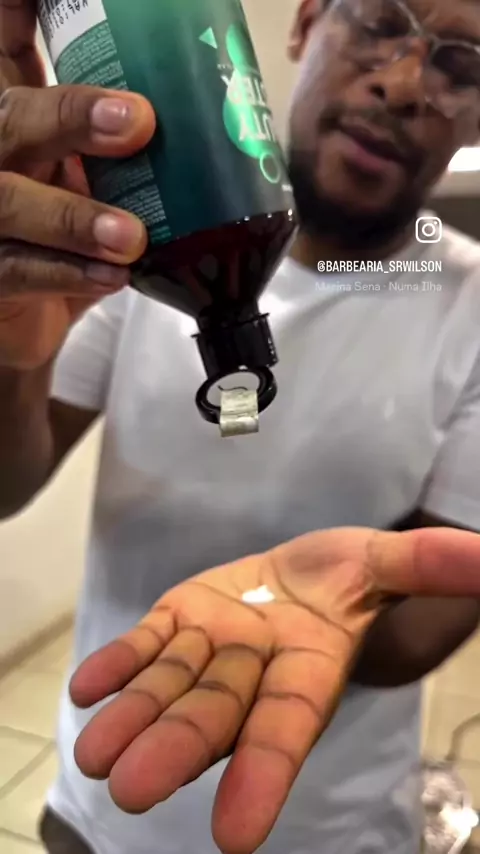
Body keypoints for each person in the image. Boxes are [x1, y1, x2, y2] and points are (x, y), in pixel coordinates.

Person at [1, 0, 480, 851]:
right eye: (378, 21)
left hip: (336, 831)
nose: (405, 83)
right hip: (99, 809)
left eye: (461, 65)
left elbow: (429, 619)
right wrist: (13, 353)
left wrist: (336, 607)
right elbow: (8, 482)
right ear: (304, 25)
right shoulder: (137, 239)